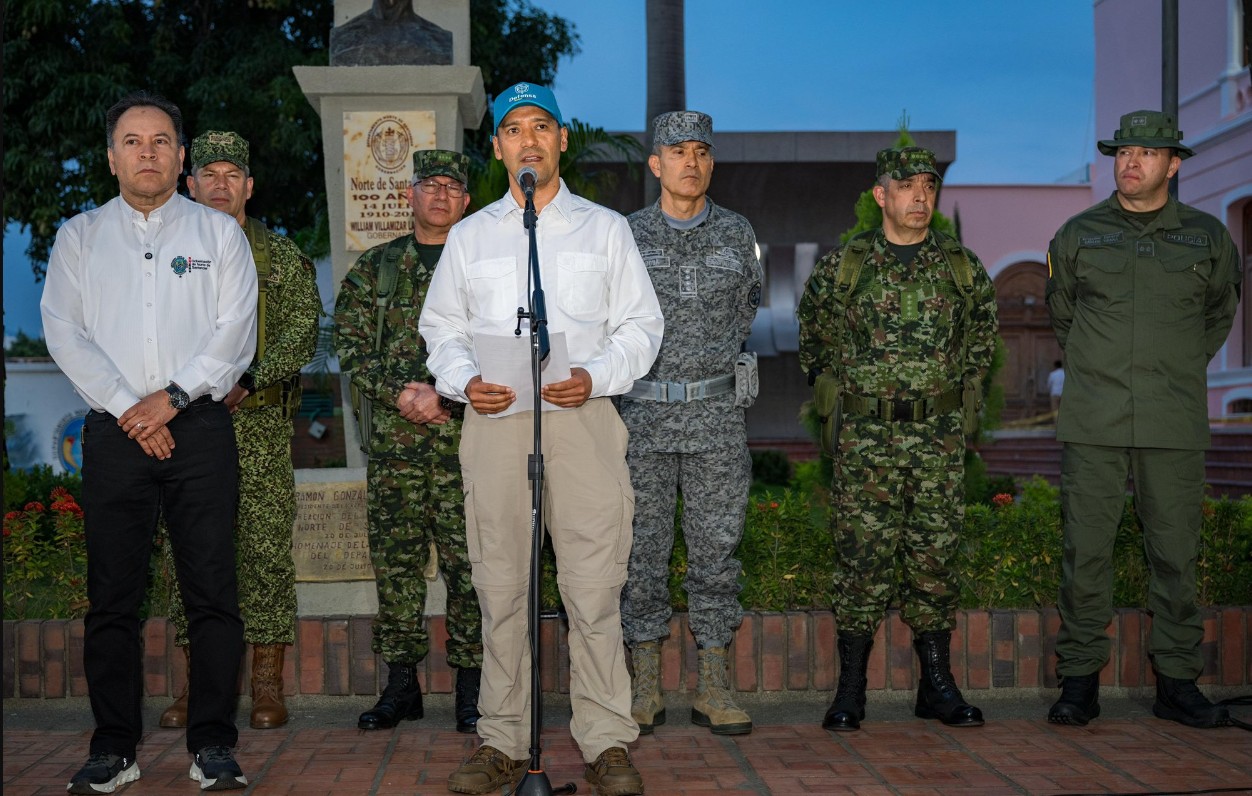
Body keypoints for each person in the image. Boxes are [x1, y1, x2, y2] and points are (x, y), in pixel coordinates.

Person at [419, 82, 663, 796]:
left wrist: (598, 374)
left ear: (561, 141)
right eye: (513, 128)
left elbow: (641, 328)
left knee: (593, 590)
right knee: (502, 590)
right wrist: (466, 381)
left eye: (541, 127)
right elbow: (442, 330)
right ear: (496, 148)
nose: (528, 139)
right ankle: (502, 741)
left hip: (583, 423)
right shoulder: (470, 237)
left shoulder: (605, 230)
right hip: (496, 424)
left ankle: (608, 741)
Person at [41, 91, 256, 793]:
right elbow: (64, 333)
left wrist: (170, 400)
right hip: (113, 432)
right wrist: (130, 410)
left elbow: (235, 334)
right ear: (111, 158)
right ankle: (113, 747)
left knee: (213, 592)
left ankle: (214, 746)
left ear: (181, 156)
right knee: (113, 598)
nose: (147, 153)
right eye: (132, 141)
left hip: (197, 428)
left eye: (161, 141)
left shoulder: (219, 236)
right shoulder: (79, 237)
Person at [1045, 110, 1242, 729]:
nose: (1131, 162)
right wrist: (1106, 370)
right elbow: (1064, 319)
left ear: (1173, 164)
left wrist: (1173, 369)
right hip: (1094, 419)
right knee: (1086, 552)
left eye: (1146, 153)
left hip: (1172, 419)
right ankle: (1079, 683)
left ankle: (1177, 683)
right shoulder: (1077, 235)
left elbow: (1217, 317)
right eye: (1123, 152)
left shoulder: (1208, 239)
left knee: (1177, 554)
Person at [797, 146, 998, 733]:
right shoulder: (845, 269)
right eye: (906, 186)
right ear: (881, 195)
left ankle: (937, 686)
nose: (920, 197)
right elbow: (814, 340)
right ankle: (851, 688)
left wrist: (959, 392)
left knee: (934, 558)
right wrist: (848, 393)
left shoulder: (959, 267)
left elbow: (981, 337)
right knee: (861, 561)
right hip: (868, 442)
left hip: (936, 441)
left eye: (928, 186)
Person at [157, 130, 322, 732]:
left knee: (263, 551)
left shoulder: (279, 255)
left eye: (233, 175)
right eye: (209, 174)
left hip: (253, 423)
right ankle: (196, 687)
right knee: (189, 552)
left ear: (248, 187)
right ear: (189, 183)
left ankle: (266, 687)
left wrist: (250, 377)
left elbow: (302, 330)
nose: (220, 185)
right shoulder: (165, 256)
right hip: (181, 426)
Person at [619, 110, 761, 737]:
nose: (691, 163)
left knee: (716, 552)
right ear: (655, 164)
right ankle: (644, 685)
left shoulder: (737, 233)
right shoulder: (625, 234)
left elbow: (748, 308)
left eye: (702, 151)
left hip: (716, 420)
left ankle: (715, 685)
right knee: (640, 552)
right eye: (678, 152)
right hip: (642, 420)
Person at [334, 149, 484, 734]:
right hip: (396, 450)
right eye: (429, 185)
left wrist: (446, 400)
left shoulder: (482, 268)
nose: (441, 195)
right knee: (395, 567)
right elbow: (349, 345)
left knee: (469, 567)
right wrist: (402, 394)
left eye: (452, 186)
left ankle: (473, 686)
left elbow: (505, 346)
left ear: (466, 200)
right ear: (410, 196)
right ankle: (402, 685)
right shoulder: (376, 269)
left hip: (465, 445)